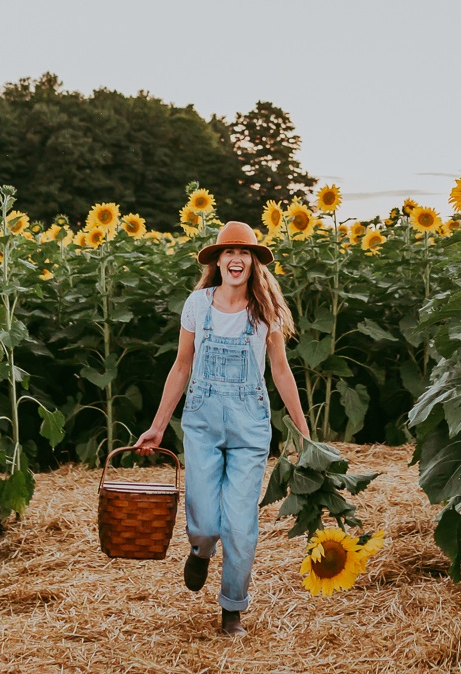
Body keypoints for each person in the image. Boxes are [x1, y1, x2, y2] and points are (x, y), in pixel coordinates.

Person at [134, 219, 313, 638]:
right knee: (204, 522)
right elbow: (181, 366)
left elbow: (282, 372)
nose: (236, 259)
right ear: (217, 261)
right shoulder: (198, 304)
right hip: (202, 421)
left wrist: (304, 435)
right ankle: (199, 550)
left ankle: (232, 606)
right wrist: (158, 426)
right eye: (228, 252)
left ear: (254, 262)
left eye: (244, 253)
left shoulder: (265, 311)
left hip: (251, 425)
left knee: (239, 525)